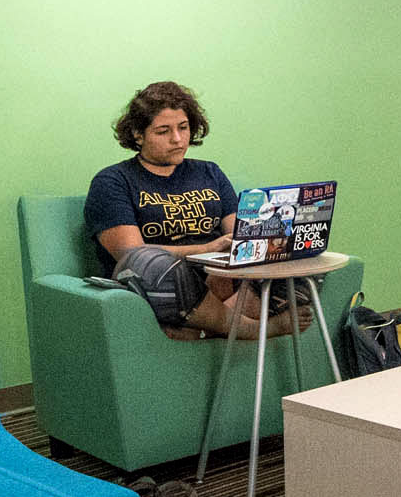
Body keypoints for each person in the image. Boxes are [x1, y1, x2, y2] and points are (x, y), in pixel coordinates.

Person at [85, 80, 308, 344]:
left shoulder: (209, 172)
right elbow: (129, 253)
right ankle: (247, 327)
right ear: (137, 134)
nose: (178, 139)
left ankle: (205, 327)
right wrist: (205, 250)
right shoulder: (113, 181)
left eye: (183, 127)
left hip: (222, 280)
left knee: (305, 262)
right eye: (163, 131)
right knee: (148, 263)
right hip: (162, 285)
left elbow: (241, 233)